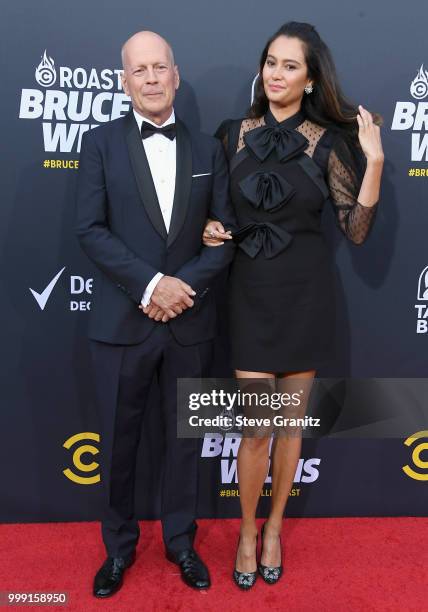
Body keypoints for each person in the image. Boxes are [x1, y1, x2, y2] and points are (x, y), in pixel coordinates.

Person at [203, 21, 384, 589]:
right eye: (271, 62)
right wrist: (211, 228)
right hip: (249, 294)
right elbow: (212, 215)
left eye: (290, 66)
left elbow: (355, 230)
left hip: (306, 295)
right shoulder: (231, 134)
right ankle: (248, 530)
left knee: (288, 426)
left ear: (310, 80)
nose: (276, 74)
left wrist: (373, 162)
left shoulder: (328, 144)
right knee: (255, 428)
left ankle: (276, 527)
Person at [75, 30, 235, 596]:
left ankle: (181, 543)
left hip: (189, 323)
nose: (149, 78)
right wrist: (150, 286)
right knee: (118, 446)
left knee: (184, 445)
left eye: (158, 68)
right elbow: (89, 229)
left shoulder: (209, 150)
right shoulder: (98, 143)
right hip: (122, 325)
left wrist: (180, 289)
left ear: (175, 75)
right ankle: (117, 550)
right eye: (138, 70)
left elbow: (224, 236)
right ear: (124, 81)